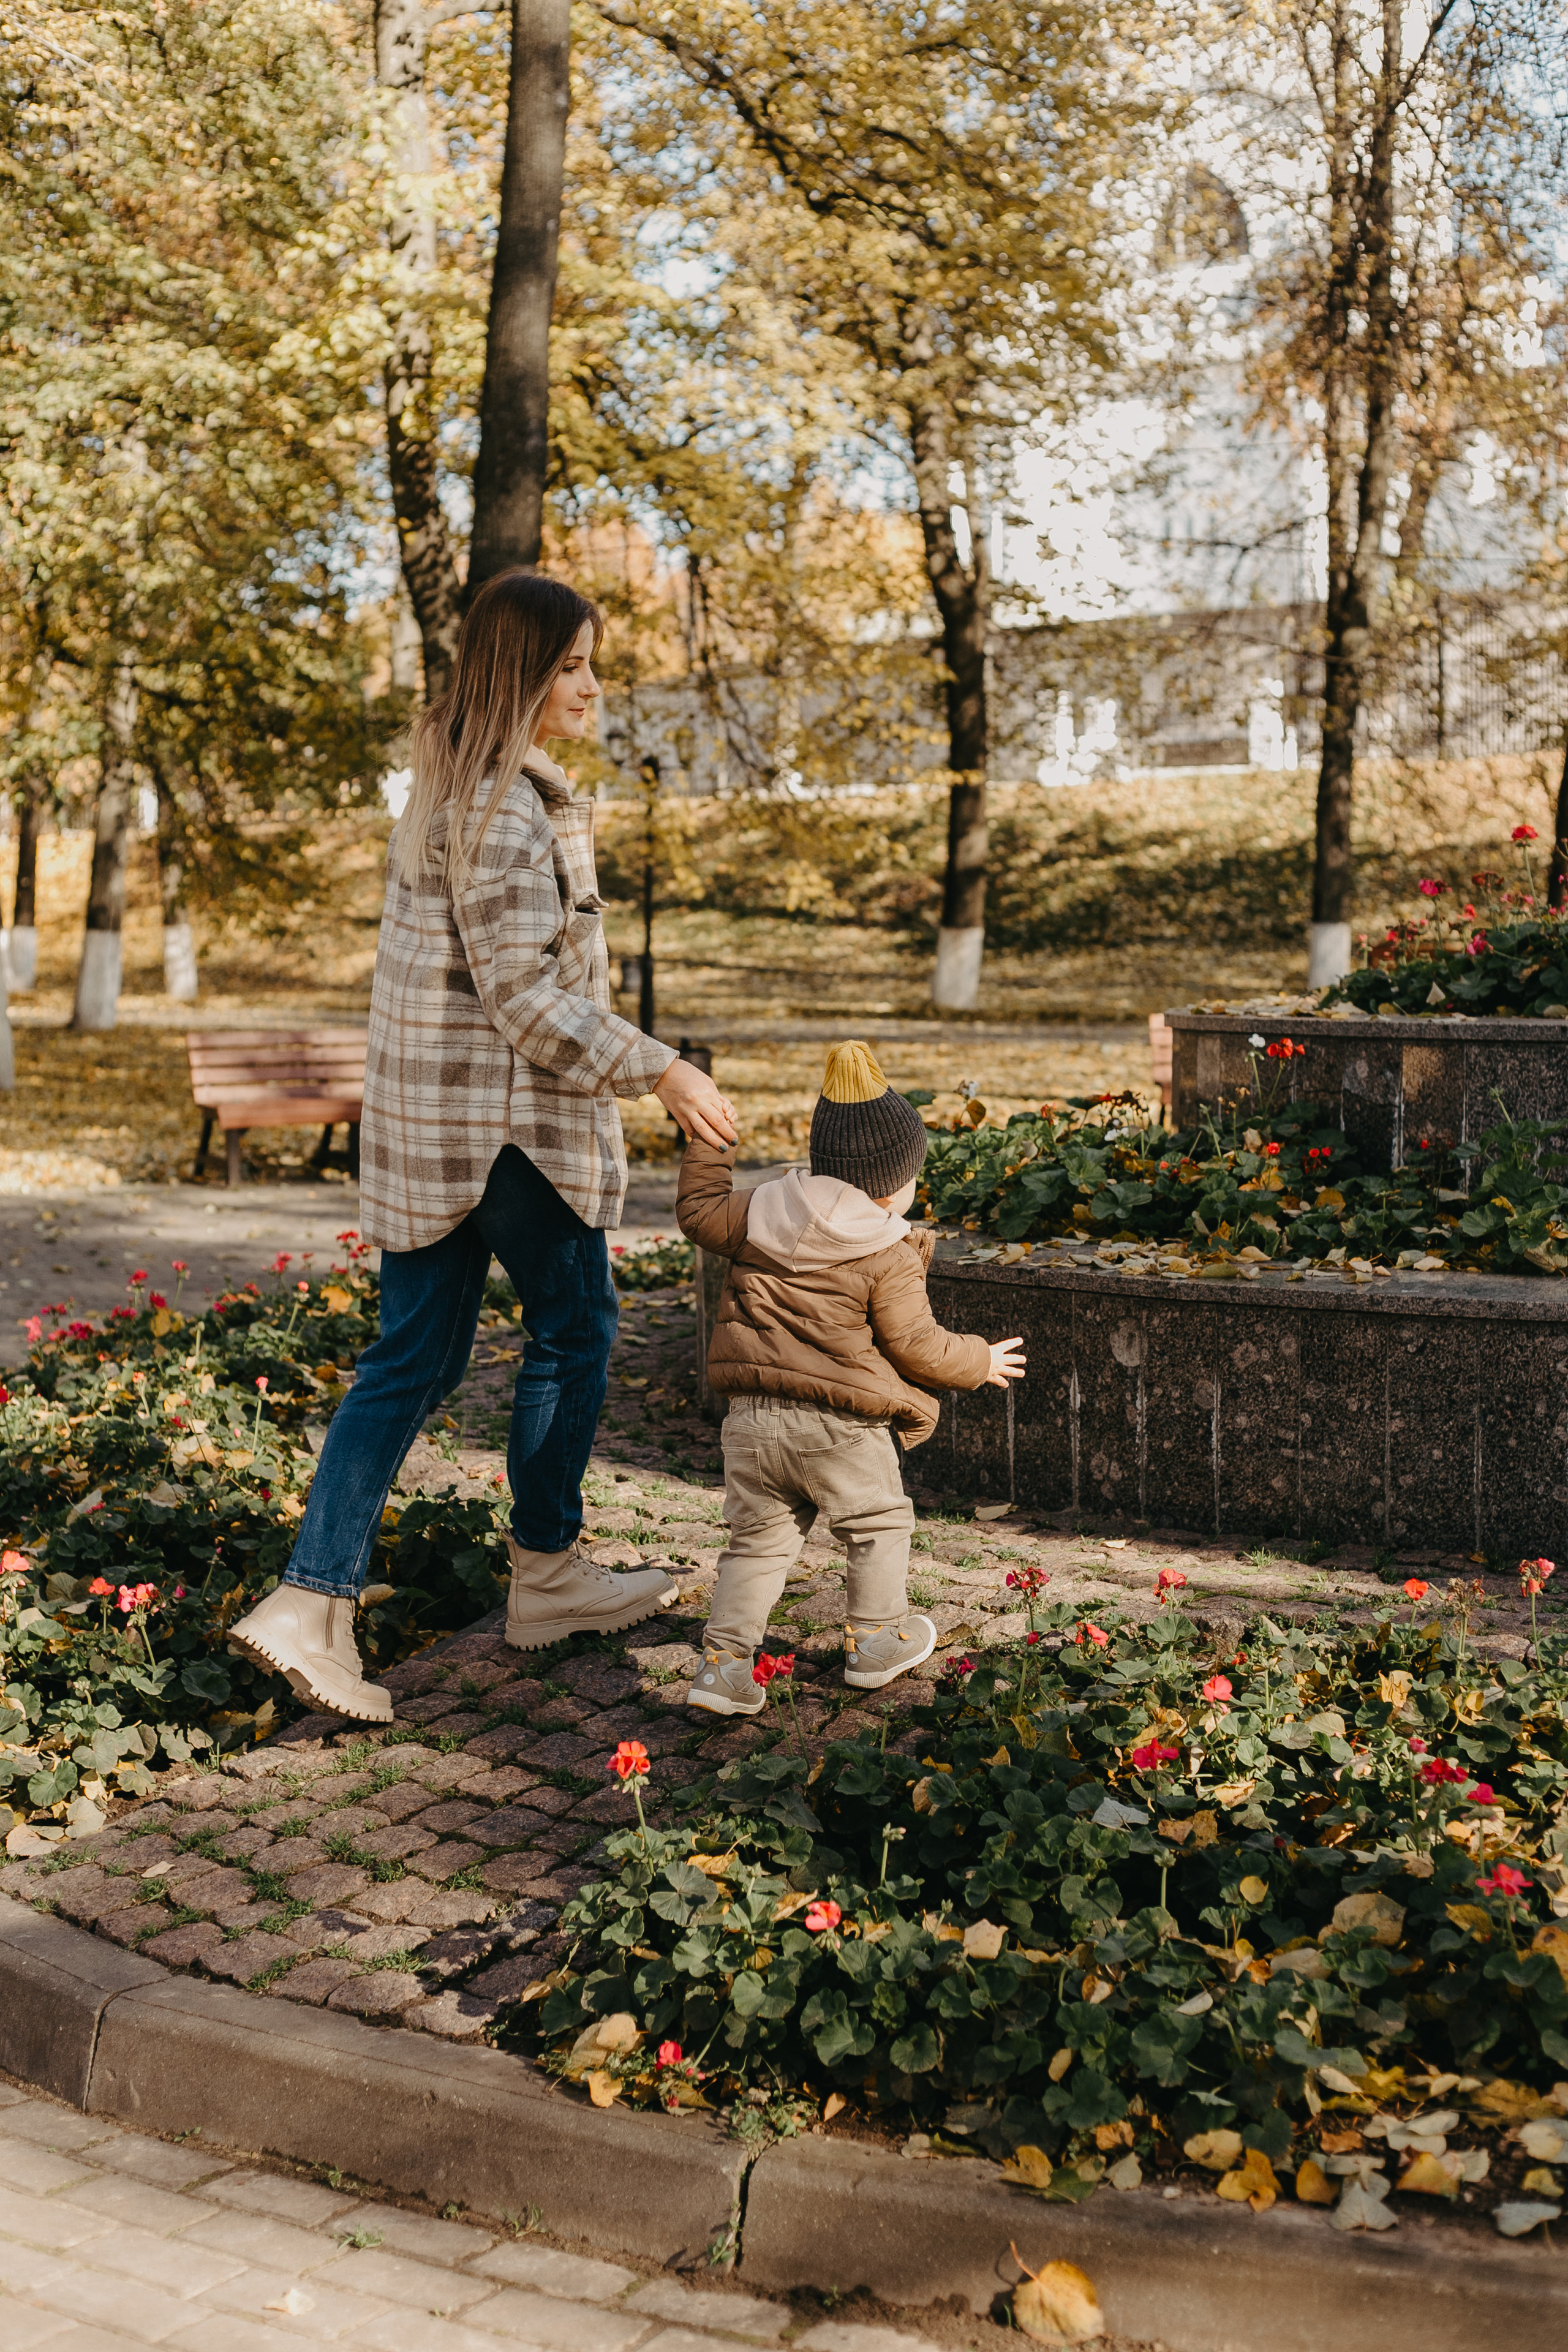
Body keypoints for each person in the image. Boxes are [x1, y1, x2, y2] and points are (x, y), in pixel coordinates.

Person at [230, 571, 737, 1722]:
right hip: (507, 1134)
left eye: (592, 663)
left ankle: (312, 1604)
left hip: (430, 1130)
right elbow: (523, 996)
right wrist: (661, 1065)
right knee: (576, 1331)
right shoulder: (508, 806)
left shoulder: (447, 788)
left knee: (409, 1361)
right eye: (571, 666)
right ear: (522, 673)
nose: (592, 685)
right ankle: (547, 1574)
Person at [674, 1041, 1026, 1714]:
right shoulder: (885, 1250)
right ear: (894, 1185)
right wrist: (979, 1360)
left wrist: (708, 1137)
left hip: (751, 1420)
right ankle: (875, 1641)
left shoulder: (757, 1212)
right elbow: (916, 1345)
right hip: (841, 1425)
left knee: (756, 1545)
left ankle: (721, 1669)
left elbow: (696, 1209)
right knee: (878, 1526)